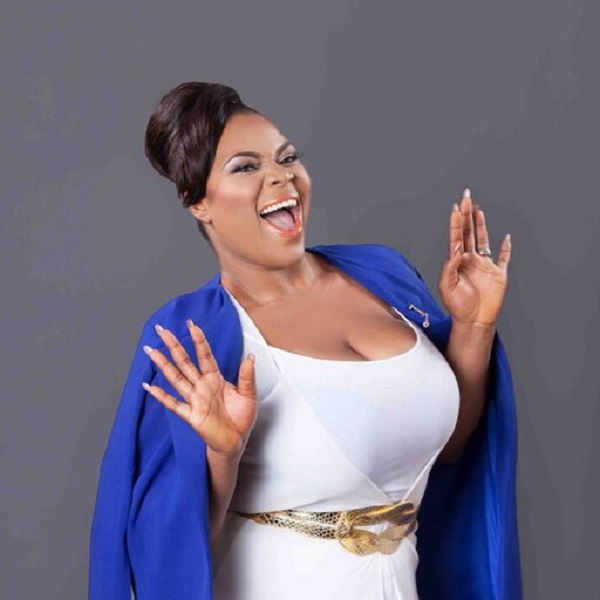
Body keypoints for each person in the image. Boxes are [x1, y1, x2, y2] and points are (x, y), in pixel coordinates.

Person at [89, 82, 522, 599]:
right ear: (199, 202)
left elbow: (448, 448)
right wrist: (223, 454)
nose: (280, 176)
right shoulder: (193, 335)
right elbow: (169, 558)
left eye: (287, 157)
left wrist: (474, 326)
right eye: (245, 167)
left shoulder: (384, 275)